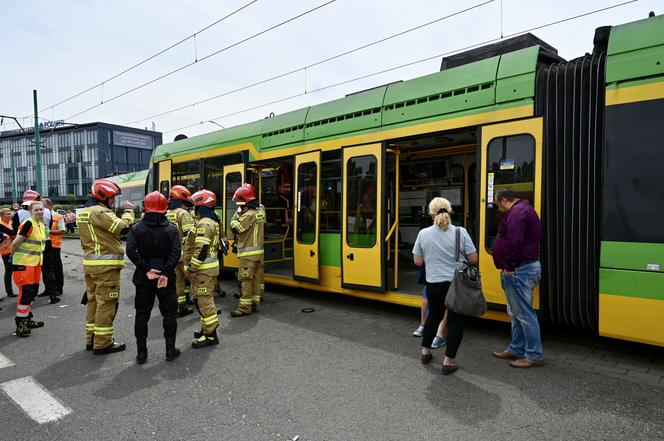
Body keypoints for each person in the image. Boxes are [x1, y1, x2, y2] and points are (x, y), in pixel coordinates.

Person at [412, 197, 478, 375]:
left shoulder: (423, 234)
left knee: (433, 316)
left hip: (433, 283)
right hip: (456, 284)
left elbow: (418, 261)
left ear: (431, 214)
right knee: (456, 321)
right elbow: (473, 259)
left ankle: (426, 352)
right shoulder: (460, 232)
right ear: (449, 211)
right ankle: (448, 362)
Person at [78, 180, 135, 355]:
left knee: (94, 302)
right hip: (105, 267)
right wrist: (129, 212)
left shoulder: (84, 213)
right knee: (107, 303)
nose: (113, 201)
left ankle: (92, 339)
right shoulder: (100, 211)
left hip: (92, 265)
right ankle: (103, 343)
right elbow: (122, 228)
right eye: (112, 198)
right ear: (103, 196)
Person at [126, 192, 181, 364]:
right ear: (165, 208)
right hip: (166, 277)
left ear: (145, 206)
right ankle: (170, 350)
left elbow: (130, 250)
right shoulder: (172, 229)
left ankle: (142, 354)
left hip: (144, 278)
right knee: (169, 314)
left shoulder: (136, 228)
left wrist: (146, 268)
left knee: (142, 315)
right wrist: (164, 272)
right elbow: (176, 253)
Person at [491, 188, 544, 368]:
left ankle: (534, 355)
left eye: (499, 204)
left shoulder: (517, 213)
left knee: (524, 314)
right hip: (523, 267)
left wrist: (509, 267)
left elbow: (515, 241)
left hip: (520, 269)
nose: (499, 209)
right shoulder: (523, 210)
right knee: (516, 313)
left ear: (505, 200)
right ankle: (516, 348)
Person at [184, 189, 221, 348]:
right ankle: (205, 328)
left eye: (195, 206)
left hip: (203, 270)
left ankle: (210, 335)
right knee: (203, 299)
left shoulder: (204, 223)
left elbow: (201, 250)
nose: (193, 210)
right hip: (209, 269)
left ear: (201, 207)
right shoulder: (211, 221)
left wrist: (192, 269)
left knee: (204, 301)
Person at [11, 201, 47, 337]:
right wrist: (12, 259)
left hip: (35, 264)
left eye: (41, 209)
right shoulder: (28, 223)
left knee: (33, 292)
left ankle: (28, 318)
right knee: (26, 293)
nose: (39, 212)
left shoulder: (41, 224)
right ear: (31, 211)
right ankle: (20, 323)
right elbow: (15, 243)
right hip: (23, 264)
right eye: (36, 210)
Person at [230, 184, 265, 317]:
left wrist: (235, 216)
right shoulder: (261, 210)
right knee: (256, 278)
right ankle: (255, 303)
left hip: (248, 255)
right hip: (259, 253)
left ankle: (245, 307)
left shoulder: (248, 215)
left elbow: (235, 228)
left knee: (246, 280)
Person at [166, 185, 195, 317]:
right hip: (184, 254)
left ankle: (181, 306)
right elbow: (190, 234)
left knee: (179, 279)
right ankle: (205, 307)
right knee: (195, 279)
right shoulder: (183, 213)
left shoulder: (168, 214)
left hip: (172, 254)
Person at [39, 199, 63, 304]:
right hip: (44, 245)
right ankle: (48, 289)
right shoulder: (41, 216)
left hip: (55, 245)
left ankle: (58, 289)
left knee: (56, 268)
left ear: (49, 205)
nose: (41, 208)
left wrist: (49, 231)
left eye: (42, 206)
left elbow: (62, 231)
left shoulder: (58, 216)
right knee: (46, 269)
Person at [0, 208, 16, 300]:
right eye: (7, 214)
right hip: (5, 251)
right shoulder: (1, 225)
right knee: (9, 270)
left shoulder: (10, 223)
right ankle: (9, 291)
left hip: (13, 249)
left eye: (10, 214)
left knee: (12, 270)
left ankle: (10, 291)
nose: (10, 216)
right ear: (1, 216)